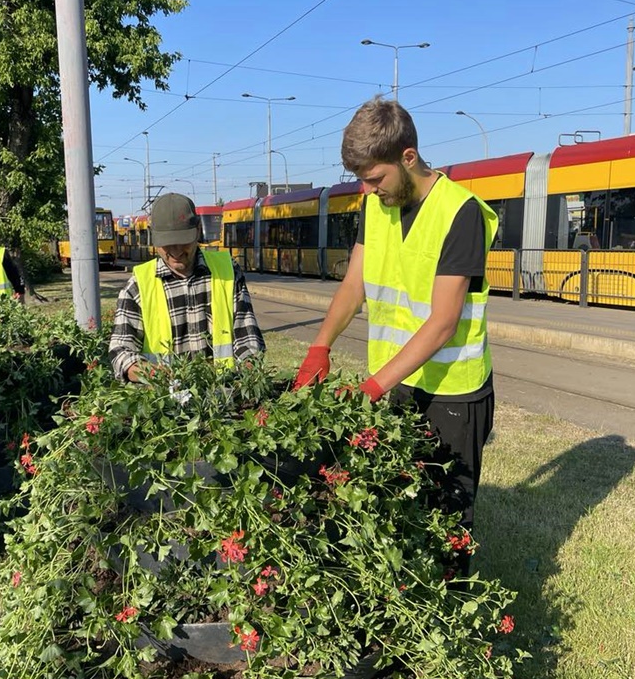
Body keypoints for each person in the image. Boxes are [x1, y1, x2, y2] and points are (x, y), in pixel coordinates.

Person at [293, 98, 498, 574]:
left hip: (453, 394)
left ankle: (450, 617)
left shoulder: (460, 213)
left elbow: (443, 322)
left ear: (409, 157)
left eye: (375, 178)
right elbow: (354, 286)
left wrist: (370, 387)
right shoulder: (375, 206)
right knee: (397, 506)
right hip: (397, 385)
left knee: (448, 521)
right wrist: (320, 345)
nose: (368, 189)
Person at [109, 193, 265, 382]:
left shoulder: (228, 272)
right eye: (167, 244)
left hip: (223, 398)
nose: (175, 252)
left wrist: (246, 376)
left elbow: (249, 341)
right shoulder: (138, 285)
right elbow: (121, 351)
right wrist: (153, 375)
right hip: (163, 404)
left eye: (183, 242)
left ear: (198, 230)